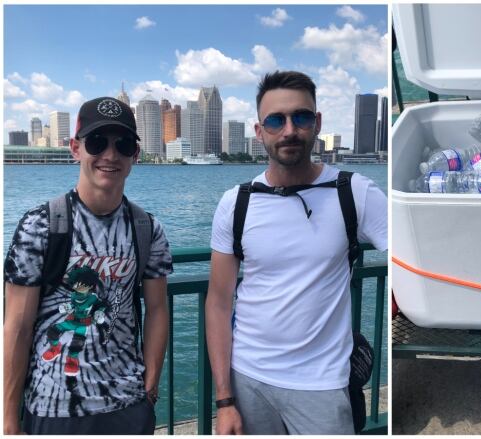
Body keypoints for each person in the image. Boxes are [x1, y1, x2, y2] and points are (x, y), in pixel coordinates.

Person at [206, 70, 387, 435]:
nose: (289, 130)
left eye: (301, 117)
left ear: (317, 123)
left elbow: (410, 254)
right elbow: (219, 302)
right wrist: (224, 400)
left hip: (323, 383)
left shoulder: (353, 192)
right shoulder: (235, 203)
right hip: (249, 377)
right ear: (260, 132)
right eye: (276, 120)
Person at [3, 97, 173, 435]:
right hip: (52, 408)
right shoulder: (40, 225)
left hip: (128, 405)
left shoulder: (147, 228)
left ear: (135, 155)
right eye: (97, 142)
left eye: (123, 144)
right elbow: (16, 328)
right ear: (75, 148)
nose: (110, 155)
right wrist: (8, 420)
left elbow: (157, 309)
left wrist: (149, 387)